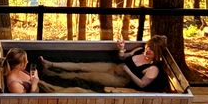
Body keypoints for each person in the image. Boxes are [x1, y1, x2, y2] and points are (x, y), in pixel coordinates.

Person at [38, 36, 171, 93]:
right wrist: (122, 49)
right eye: (148, 47)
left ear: (157, 52)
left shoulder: (153, 69)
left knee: (85, 76)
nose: (148, 51)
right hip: (113, 67)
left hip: (121, 79)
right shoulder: (140, 50)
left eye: (152, 51)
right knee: (81, 66)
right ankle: (50, 64)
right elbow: (123, 57)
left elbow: (142, 84)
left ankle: (52, 74)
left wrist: (128, 71)